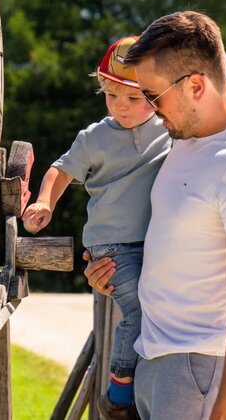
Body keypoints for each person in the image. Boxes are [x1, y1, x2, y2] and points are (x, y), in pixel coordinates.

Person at [84, 11, 226, 420]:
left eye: (153, 96)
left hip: (201, 374)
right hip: (158, 357)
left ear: (196, 85)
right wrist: (119, 272)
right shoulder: (189, 135)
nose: (149, 109)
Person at [22, 36, 171, 419]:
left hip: (156, 243)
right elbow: (60, 171)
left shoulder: (170, 128)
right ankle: (119, 393)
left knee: (163, 308)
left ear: (154, 95)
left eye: (133, 99)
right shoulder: (95, 137)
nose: (120, 107)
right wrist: (44, 201)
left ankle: (150, 389)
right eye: (111, 96)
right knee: (139, 310)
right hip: (113, 247)